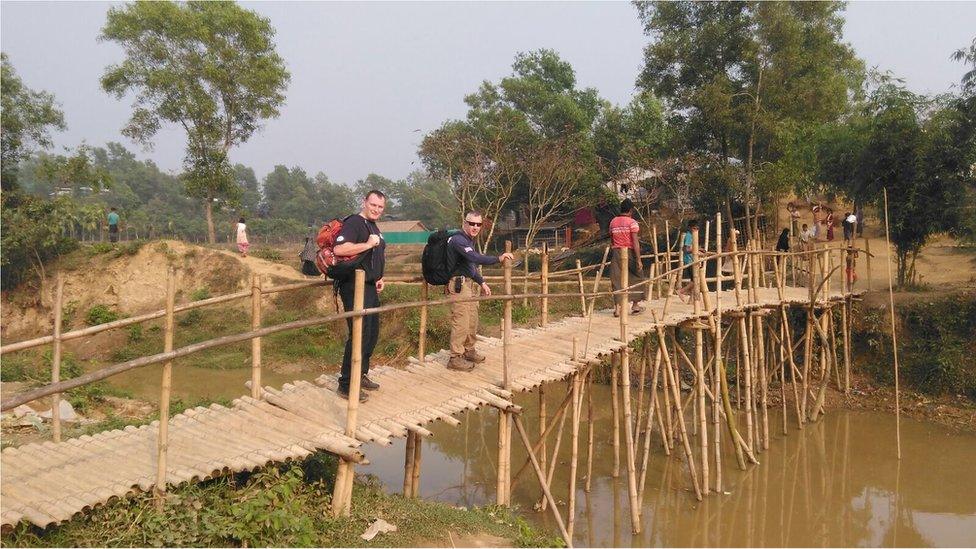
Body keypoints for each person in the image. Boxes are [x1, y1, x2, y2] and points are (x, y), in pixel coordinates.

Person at [332, 190, 387, 402]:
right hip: (354, 286)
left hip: (370, 285)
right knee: (359, 333)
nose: (376, 209)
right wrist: (368, 244)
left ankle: (361, 374)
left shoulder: (373, 226)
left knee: (371, 333)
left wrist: (379, 276)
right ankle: (346, 384)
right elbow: (340, 249)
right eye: (373, 205)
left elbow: (374, 255)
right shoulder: (355, 222)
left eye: (380, 207)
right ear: (364, 202)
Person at [445, 210, 514, 372]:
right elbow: (475, 258)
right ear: (464, 223)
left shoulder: (469, 241)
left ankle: (469, 350)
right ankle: (455, 357)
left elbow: (470, 266)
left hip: (468, 285)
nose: (475, 227)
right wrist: (498, 258)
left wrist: (481, 282)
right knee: (461, 322)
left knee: (472, 320)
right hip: (458, 285)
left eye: (478, 224)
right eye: (472, 223)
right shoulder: (458, 240)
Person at [609, 199, 646, 316]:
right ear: (631, 210)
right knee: (637, 276)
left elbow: (611, 238)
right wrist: (639, 259)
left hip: (616, 252)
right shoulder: (632, 222)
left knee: (616, 279)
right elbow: (635, 242)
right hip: (629, 251)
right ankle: (635, 305)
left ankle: (618, 308)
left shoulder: (613, 222)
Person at [675, 219, 699, 303]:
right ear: (690, 228)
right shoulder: (689, 236)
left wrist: (698, 249)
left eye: (697, 229)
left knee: (694, 279)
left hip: (692, 259)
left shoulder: (692, 236)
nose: (696, 230)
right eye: (694, 228)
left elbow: (692, 248)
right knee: (695, 280)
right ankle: (681, 291)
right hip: (689, 260)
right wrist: (695, 250)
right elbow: (686, 249)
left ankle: (691, 300)